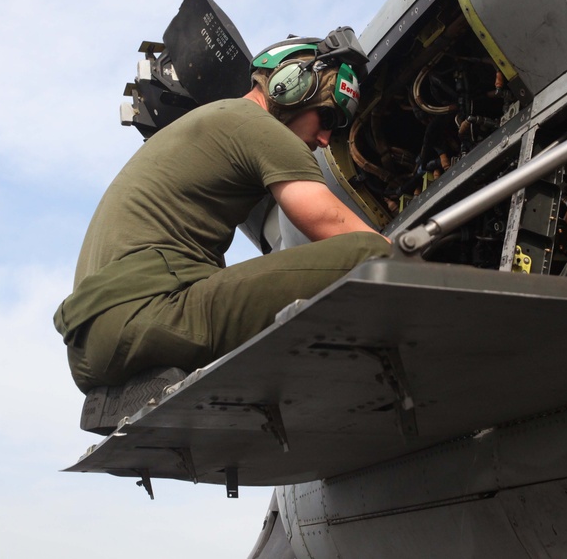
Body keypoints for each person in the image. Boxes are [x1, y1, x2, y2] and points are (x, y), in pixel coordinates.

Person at [54, 28, 390, 393]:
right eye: (327, 118)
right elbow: (332, 223)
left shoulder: (212, 123)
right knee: (373, 253)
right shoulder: (258, 126)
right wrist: (415, 255)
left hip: (90, 347)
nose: (325, 139)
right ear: (291, 87)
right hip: (148, 311)